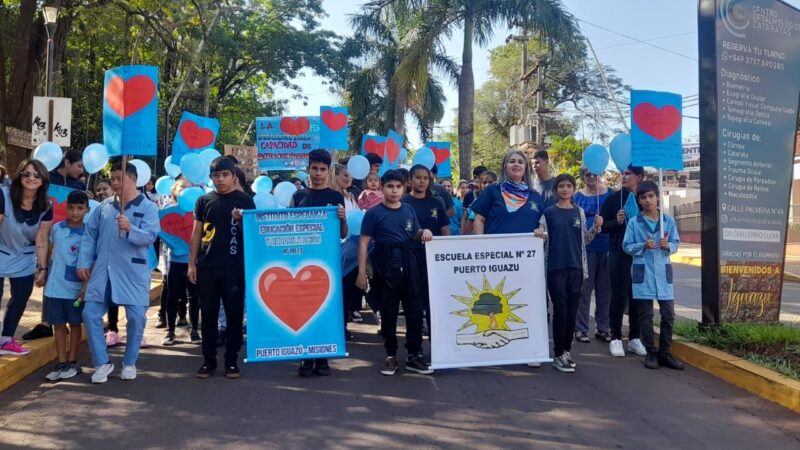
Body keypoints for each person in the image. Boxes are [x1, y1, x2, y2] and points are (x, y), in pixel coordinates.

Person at [78, 161, 159, 383]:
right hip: (103, 271)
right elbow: (89, 236)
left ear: (133, 180)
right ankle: (102, 363)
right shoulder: (103, 207)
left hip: (132, 272)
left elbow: (150, 237)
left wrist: (131, 228)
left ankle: (130, 361)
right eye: (112, 178)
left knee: (135, 318)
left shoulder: (148, 207)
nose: (114, 183)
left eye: (118, 179)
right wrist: (83, 262)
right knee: (90, 314)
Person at [356, 170, 433, 376]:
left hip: (409, 261)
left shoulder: (408, 210)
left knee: (414, 309)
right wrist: (361, 273)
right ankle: (390, 355)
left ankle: (413, 355)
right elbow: (364, 243)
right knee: (389, 311)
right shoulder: (374, 213)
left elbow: (415, 232)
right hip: (384, 261)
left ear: (404, 188)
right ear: (382, 187)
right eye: (390, 186)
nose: (395, 190)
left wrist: (423, 232)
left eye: (398, 187)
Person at [188, 157, 255, 380]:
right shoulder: (203, 201)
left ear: (233, 176)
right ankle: (208, 361)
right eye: (216, 176)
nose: (220, 180)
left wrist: (239, 221)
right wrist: (191, 264)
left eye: (224, 175)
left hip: (234, 268)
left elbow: (252, 235)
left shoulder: (245, 201)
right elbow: (196, 233)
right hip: (206, 267)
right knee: (207, 317)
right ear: (211, 178)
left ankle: (231, 361)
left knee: (235, 317)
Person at [535, 174, 602, 373]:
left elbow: (584, 241)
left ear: (574, 189)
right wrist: (539, 234)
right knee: (561, 311)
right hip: (555, 268)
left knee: (572, 312)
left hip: (577, 268)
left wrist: (595, 229)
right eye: (561, 186)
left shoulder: (579, 212)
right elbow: (542, 237)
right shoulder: (548, 212)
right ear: (556, 190)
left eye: (569, 186)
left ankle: (566, 350)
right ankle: (558, 353)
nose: (565, 189)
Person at [290, 150, 348, 377]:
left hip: (328, 264)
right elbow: (289, 229)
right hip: (301, 263)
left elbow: (343, 234)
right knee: (303, 308)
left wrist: (342, 218)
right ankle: (306, 356)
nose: (318, 173)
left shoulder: (336, 197)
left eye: (322, 169)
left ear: (328, 171)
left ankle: (322, 356)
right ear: (308, 169)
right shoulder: (298, 197)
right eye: (314, 168)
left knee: (324, 309)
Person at [622, 181, 684, 371]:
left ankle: (665, 352)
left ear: (657, 197)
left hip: (662, 274)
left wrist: (670, 246)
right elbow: (626, 246)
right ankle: (651, 352)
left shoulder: (668, 221)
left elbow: (675, 241)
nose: (647, 200)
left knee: (668, 314)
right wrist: (642, 246)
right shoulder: (634, 222)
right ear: (639, 201)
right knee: (646, 315)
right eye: (643, 197)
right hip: (644, 273)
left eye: (651, 196)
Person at [0, 160, 53, 355]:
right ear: (19, 176)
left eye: (36, 175)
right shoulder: (3, 196)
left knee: (21, 296)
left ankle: (6, 340)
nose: (31, 178)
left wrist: (43, 268)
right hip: (1, 249)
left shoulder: (46, 206)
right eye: (27, 174)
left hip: (24, 257)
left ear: (43, 180)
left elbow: (41, 239)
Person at [600, 165, 647, 358]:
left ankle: (635, 338)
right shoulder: (613, 199)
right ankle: (616, 337)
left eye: (628, 174)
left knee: (638, 295)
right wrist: (615, 222)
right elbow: (603, 226)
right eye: (623, 173)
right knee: (618, 295)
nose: (624, 176)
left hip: (641, 253)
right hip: (618, 252)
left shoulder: (645, 197)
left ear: (639, 176)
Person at [403, 165, 450, 348]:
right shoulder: (404, 202)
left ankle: (437, 346)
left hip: (434, 261)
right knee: (413, 305)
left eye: (425, 178)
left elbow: (445, 230)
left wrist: (447, 255)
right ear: (410, 180)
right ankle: (414, 349)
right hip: (411, 260)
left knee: (435, 304)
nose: (422, 181)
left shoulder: (437, 202)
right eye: (418, 177)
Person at [43, 190, 89, 381]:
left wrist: (85, 287)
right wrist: (42, 270)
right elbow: (49, 250)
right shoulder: (57, 228)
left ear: (87, 209)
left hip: (74, 289)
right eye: (71, 208)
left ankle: (72, 362)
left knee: (75, 324)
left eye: (79, 208)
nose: (75, 212)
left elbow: (90, 263)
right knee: (58, 325)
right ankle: (61, 362)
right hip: (53, 288)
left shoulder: (88, 234)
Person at [573, 167, 613, 343]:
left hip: (607, 247)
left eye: (594, 173)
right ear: (582, 176)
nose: (591, 176)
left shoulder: (611, 195)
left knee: (605, 291)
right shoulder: (577, 196)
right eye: (587, 174)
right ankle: (581, 329)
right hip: (585, 249)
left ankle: (603, 328)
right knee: (584, 290)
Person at [161, 178, 200, 346]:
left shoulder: (198, 213)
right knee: (172, 295)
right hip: (175, 260)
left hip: (194, 261)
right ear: (174, 190)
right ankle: (170, 331)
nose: (186, 190)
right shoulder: (166, 211)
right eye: (182, 187)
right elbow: (161, 232)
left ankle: (194, 329)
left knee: (194, 296)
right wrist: (175, 247)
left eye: (189, 188)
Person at [334, 163, 364, 331]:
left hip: (352, 249)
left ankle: (344, 324)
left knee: (348, 289)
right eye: (345, 175)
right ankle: (339, 327)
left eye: (350, 176)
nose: (348, 178)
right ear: (335, 176)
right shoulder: (333, 196)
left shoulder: (351, 196)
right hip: (338, 250)